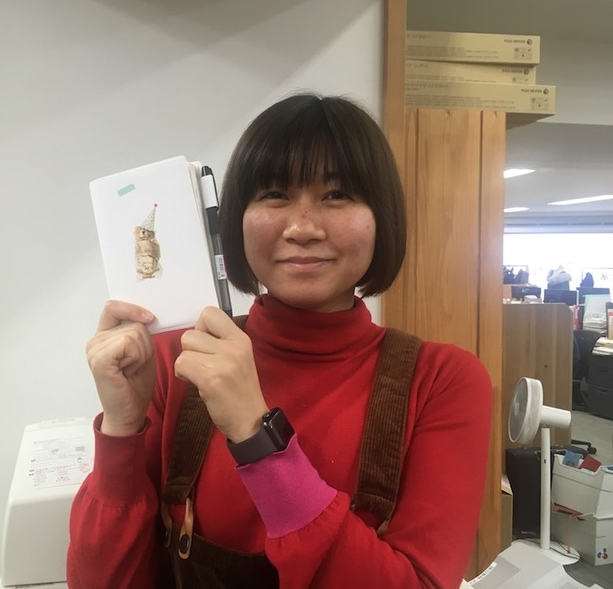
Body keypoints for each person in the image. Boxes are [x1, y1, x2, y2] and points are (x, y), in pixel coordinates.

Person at [68, 93, 493, 588]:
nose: (302, 227)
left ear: (381, 218)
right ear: (234, 220)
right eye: (274, 194)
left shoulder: (442, 381)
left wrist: (257, 436)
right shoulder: (179, 361)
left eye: (337, 195)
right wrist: (121, 429)